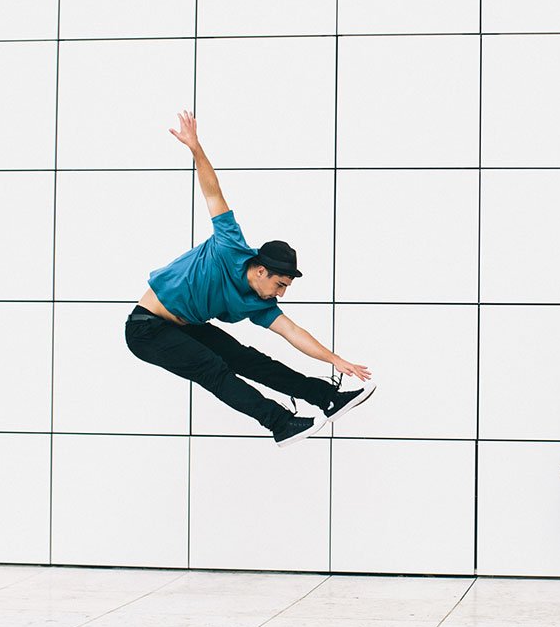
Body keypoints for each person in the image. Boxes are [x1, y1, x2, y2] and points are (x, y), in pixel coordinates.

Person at [125, 111, 375, 447]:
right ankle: (281, 423)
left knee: (250, 360)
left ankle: (326, 398)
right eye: (280, 285)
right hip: (147, 328)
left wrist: (335, 359)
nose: (281, 295)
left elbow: (292, 332)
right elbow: (213, 193)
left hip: (184, 326)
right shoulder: (229, 245)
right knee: (213, 369)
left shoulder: (259, 301)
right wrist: (196, 149)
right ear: (260, 270)